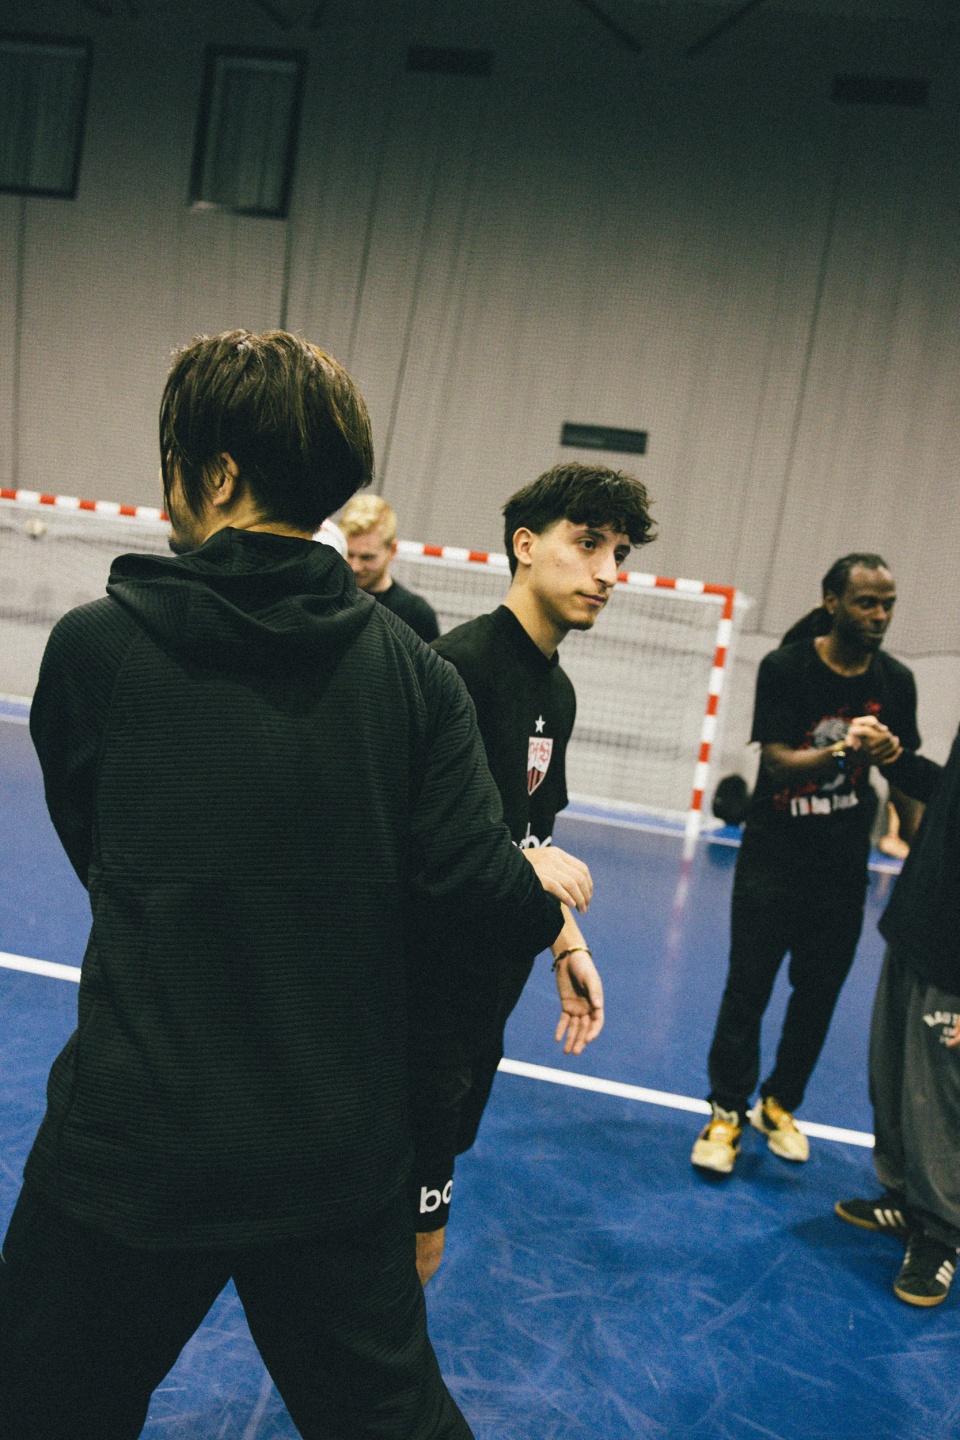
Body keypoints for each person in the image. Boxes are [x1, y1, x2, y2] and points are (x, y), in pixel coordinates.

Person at [0, 330, 567, 1440]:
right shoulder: (416, 677)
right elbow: (476, 908)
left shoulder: (93, 652)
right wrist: (537, 888)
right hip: (333, 1157)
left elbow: (103, 855)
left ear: (216, 474)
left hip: (134, 1147)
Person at [410, 461, 656, 1284]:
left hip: (484, 1002)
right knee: (416, 1246)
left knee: (406, 1242)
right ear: (524, 545)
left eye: (619, 553)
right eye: (588, 545)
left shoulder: (559, 693)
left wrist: (564, 944)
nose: (608, 573)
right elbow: (401, 845)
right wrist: (519, 859)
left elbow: (530, 836)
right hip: (416, 1010)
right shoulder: (452, 670)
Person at [692, 553, 931, 1176]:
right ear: (832, 602)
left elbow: (903, 779)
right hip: (773, 860)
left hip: (843, 866)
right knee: (748, 988)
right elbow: (776, 762)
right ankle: (726, 1111)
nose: (879, 616)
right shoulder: (787, 668)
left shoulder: (896, 681)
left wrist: (920, 849)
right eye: (866, 603)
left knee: (818, 993)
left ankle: (779, 1104)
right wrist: (847, 748)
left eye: (888, 605)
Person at [834, 732, 956, 1307]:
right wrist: (897, 760)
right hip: (916, 923)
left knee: (940, 1101)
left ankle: (941, 1233)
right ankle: (906, 1199)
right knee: (892, 1081)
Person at [339, 492, 440, 641]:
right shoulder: (324, 598)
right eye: (349, 554)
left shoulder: (416, 615)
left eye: (367, 557)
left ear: (392, 550)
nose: (355, 567)